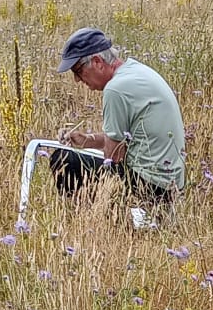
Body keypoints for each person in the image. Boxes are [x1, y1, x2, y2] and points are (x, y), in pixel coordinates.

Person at [50, 27, 185, 206]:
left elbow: (113, 157)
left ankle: (94, 218)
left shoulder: (115, 89)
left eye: (78, 70)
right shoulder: (135, 70)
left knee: (64, 159)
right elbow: (125, 140)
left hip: (151, 186)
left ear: (97, 61)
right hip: (170, 183)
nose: (77, 79)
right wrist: (86, 140)